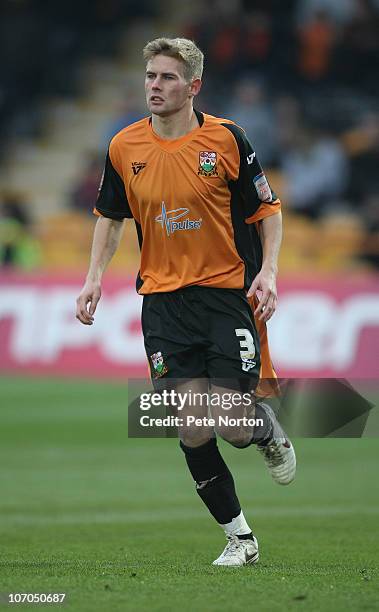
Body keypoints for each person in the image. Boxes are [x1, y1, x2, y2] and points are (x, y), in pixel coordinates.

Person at [76, 37, 296, 567]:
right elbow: (110, 217)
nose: (155, 85)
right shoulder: (123, 146)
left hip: (224, 297)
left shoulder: (227, 139)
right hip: (163, 304)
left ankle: (264, 427)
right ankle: (240, 539)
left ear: (193, 85)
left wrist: (267, 271)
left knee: (233, 424)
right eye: (151, 76)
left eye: (168, 78)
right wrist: (94, 278)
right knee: (192, 426)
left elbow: (267, 210)